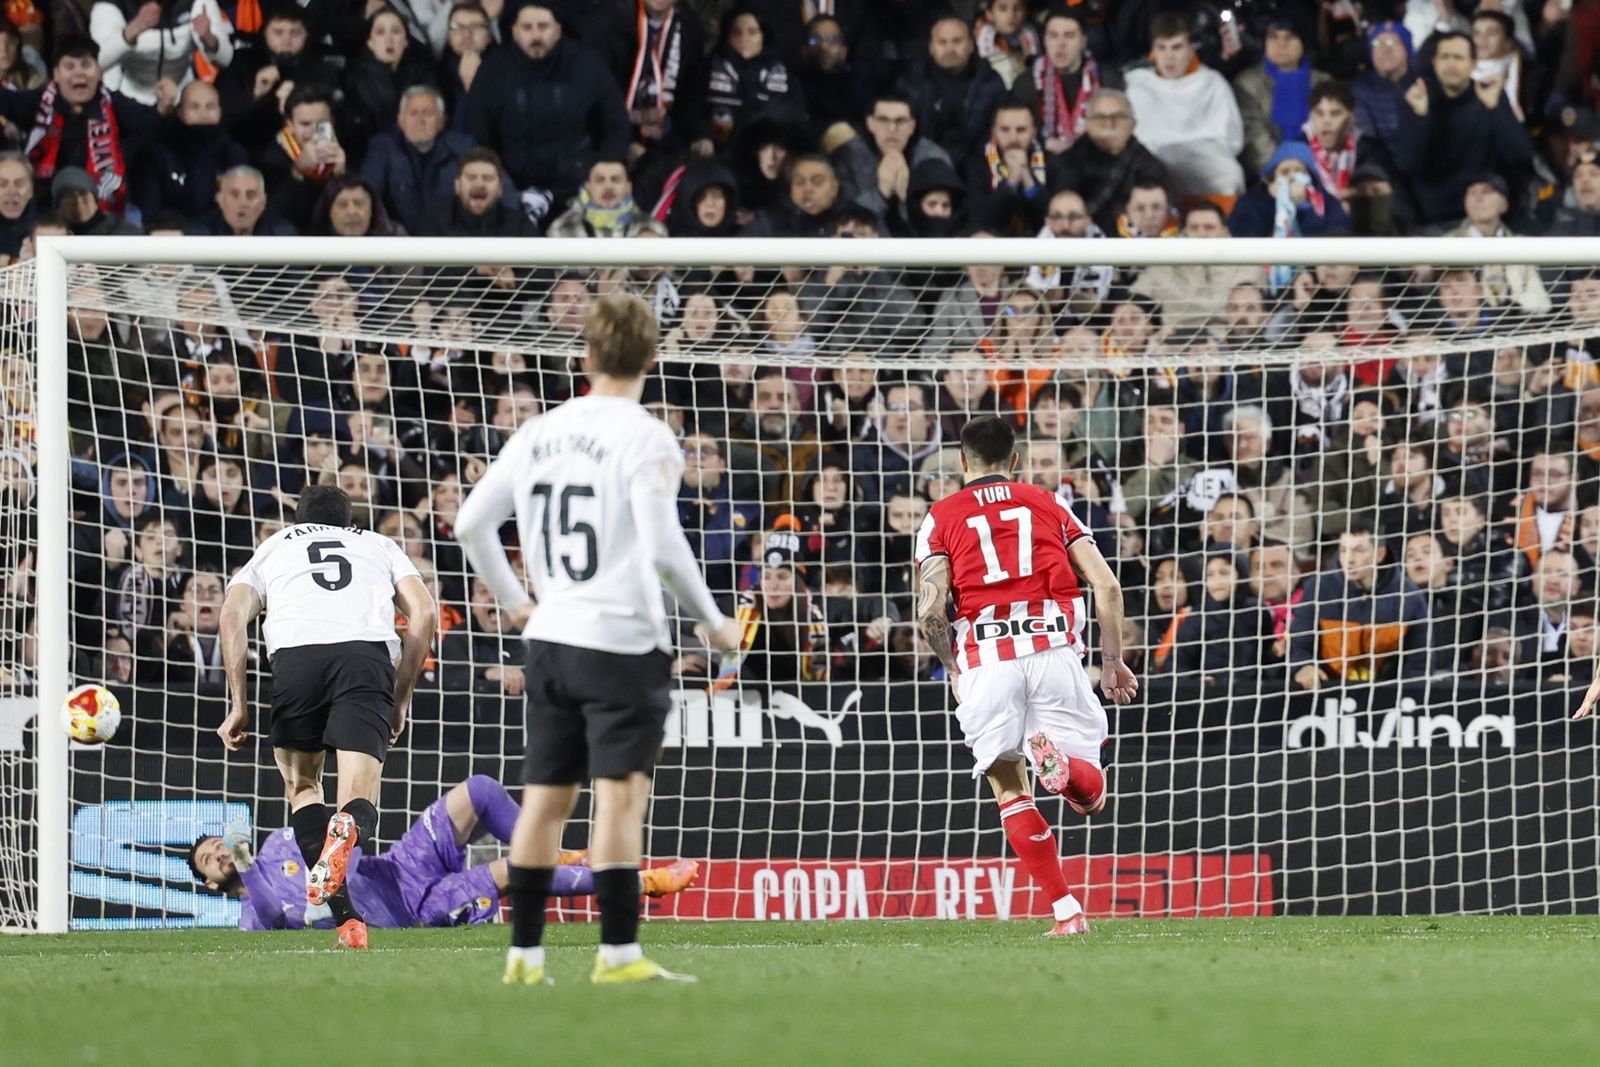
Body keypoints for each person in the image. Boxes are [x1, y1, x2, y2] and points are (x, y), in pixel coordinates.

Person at [453, 292, 742, 986]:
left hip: (551, 639)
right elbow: (665, 547)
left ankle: (524, 957)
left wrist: (518, 603)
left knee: (546, 798)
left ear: (584, 356)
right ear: (652, 357)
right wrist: (712, 620)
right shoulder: (647, 436)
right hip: (622, 641)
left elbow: (470, 525)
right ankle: (616, 954)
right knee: (618, 798)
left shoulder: (538, 431)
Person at [913, 414, 1136, 937]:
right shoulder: (1048, 503)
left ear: (962, 462)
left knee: (1010, 790)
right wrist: (1112, 662)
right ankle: (1066, 770)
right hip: (1053, 650)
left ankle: (1066, 912)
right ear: (1014, 461)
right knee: (1091, 796)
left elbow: (929, 611)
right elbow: (1107, 586)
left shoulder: (939, 517)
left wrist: (953, 668)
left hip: (986, 661)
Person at [216, 484, 438, 951]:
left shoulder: (274, 545)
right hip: (365, 658)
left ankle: (348, 923)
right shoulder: (378, 544)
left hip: (296, 660)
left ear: (296, 521)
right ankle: (348, 829)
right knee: (356, 798)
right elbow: (424, 612)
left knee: (303, 790)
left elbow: (232, 615)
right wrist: (401, 697)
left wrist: (238, 702)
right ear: (350, 522)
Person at [188, 774, 698, 930]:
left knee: (478, 791)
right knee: (512, 871)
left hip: (400, 867)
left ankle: (556, 854)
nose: (221, 853)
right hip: (415, 911)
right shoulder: (251, 918)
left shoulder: (280, 840)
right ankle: (643, 883)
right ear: (212, 882)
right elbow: (277, 915)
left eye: (218, 845)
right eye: (212, 859)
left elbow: (350, 852)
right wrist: (248, 869)